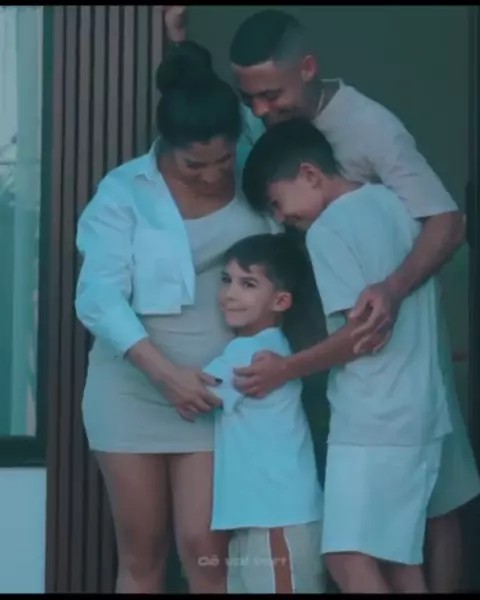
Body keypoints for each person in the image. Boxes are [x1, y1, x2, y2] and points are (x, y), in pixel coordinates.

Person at [163, 7, 477, 592]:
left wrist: (390, 290)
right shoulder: (365, 195)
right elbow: (208, 117)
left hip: (375, 401)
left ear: (307, 69)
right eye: (249, 98)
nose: (260, 111)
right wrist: (178, 45)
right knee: (398, 550)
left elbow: (446, 223)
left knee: (364, 549)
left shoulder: (367, 143)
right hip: (381, 390)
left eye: (270, 95)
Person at [74, 41, 279, 594]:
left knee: (206, 554)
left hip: (216, 395)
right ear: (165, 145)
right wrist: (166, 377)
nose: (213, 175)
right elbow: (98, 298)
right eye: (195, 165)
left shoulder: (252, 162)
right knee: (142, 555)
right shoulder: (124, 191)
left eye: (223, 160)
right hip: (133, 391)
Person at [240, 117, 458, 592]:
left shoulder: (329, 229)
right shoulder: (395, 204)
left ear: (310, 174)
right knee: (398, 560)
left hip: (372, 421)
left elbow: (361, 338)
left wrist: (284, 370)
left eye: (277, 203)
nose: (280, 219)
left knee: (345, 556)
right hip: (421, 412)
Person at [203, 233, 325, 593]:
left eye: (248, 284)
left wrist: (144, 362)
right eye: (226, 280)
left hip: (277, 518)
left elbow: (195, 394)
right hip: (262, 517)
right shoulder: (264, 346)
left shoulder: (251, 352)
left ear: (281, 300)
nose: (230, 293)